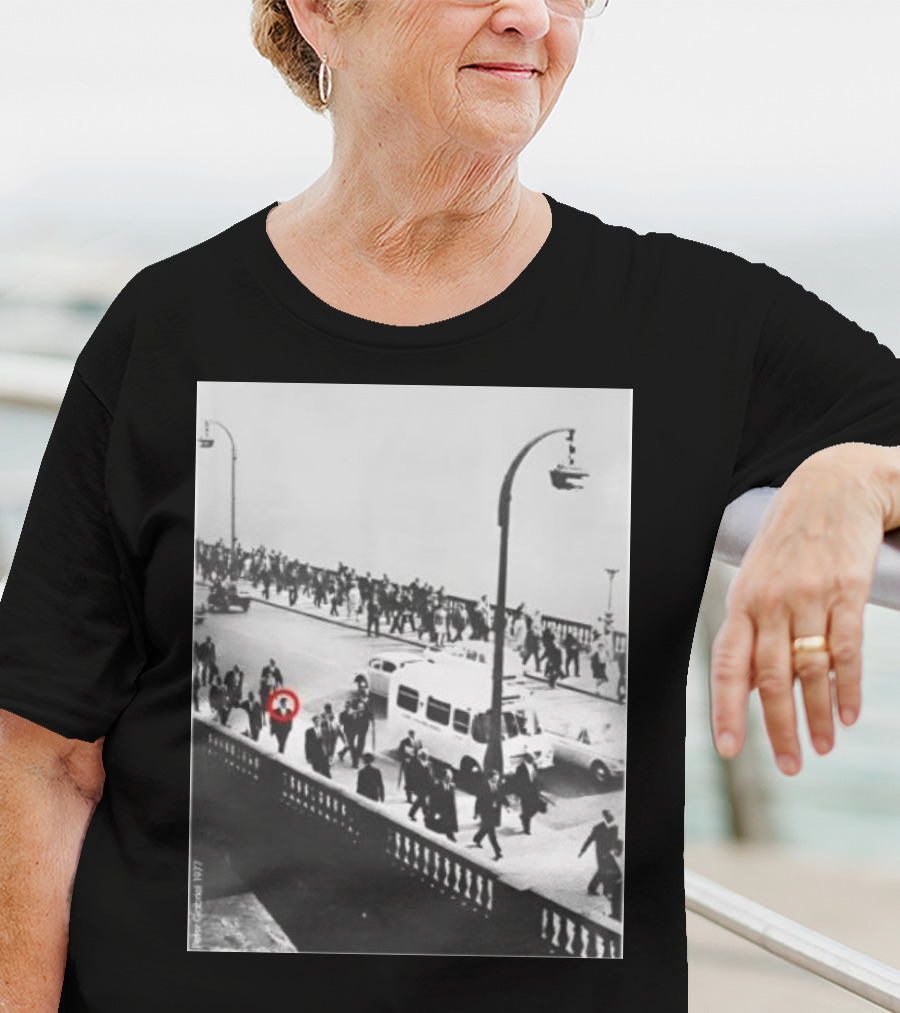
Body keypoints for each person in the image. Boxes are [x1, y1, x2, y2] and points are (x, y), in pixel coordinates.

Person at [2, 0, 900, 1008]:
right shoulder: (167, 328)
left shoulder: (700, 325)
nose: (530, 16)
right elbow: (43, 758)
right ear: (322, 13)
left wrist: (856, 474)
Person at [578, 809, 624, 921]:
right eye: (609, 816)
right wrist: (583, 850)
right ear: (605, 817)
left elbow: (615, 841)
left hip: (607, 854)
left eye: (611, 815)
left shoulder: (614, 828)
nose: (611, 817)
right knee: (613, 873)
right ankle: (608, 891)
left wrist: (617, 849)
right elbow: (589, 839)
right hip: (601, 855)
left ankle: (593, 887)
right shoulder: (598, 828)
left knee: (603, 871)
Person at [472, 769, 509, 861]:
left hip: (493, 812)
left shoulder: (498, 786)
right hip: (485, 812)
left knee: (486, 828)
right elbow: (479, 800)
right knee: (491, 832)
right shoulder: (483, 786)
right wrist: (476, 813)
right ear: (490, 778)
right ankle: (497, 851)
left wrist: (507, 806)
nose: (497, 779)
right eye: (495, 777)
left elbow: (502, 796)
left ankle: (477, 839)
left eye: (498, 777)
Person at [511, 752, 546, 835]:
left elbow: (536, 778)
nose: (533, 759)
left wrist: (538, 789)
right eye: (531, 758)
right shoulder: (520, 768)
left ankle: (524, 817)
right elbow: (517, 782)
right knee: (526, 809)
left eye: (533, 758)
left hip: (534, 791)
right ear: (526, 758)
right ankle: (526, 829)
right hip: (525, 792)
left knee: (540, 806)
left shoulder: (534, 766)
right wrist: (517, 793)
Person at [426, 766, 459, 842]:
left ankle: (450, 834)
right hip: (439, 809)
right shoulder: (437, 787)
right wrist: (434, 812)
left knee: (448, 823)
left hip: (448, 810)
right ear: (444, 777)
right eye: (448, 777)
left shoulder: (451, 787)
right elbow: (433, 800)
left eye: (451, 777)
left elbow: (452, 800)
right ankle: (449, 834)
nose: (450, 778)